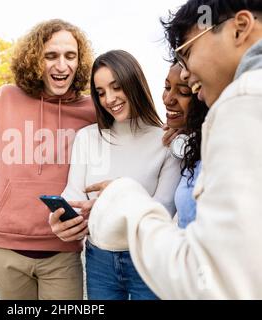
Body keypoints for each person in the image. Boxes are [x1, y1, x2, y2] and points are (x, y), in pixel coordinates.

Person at [77, 0, 262, 299]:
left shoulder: (244, 102)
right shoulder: (184, 136)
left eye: (187, 53)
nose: (185, 73)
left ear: (239, 28)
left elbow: (215, 281)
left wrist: (124, 197)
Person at [0, 19, 96, 300]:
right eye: (51, 56)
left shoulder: (93, 109)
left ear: (79, 61)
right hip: (4, 251)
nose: (61, 66)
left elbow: (135, 129)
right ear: (35, 60)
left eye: (70, 56)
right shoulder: (6, 98)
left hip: (62, 253)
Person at [49, 50, 181, 300]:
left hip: (149, 257)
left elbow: (163, 210)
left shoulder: (165, 140)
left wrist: (110, 203)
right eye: (100, 92)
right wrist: (60, 219)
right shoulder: (87, 138)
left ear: (134, 83)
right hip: (100, 261)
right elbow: (74, 195)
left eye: (116, 87)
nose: (109, 99)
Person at [163, 62, 208, 228]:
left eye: (183, 92)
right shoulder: (190, 142)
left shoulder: (214, 152)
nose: (168, 99)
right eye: (167, 87)